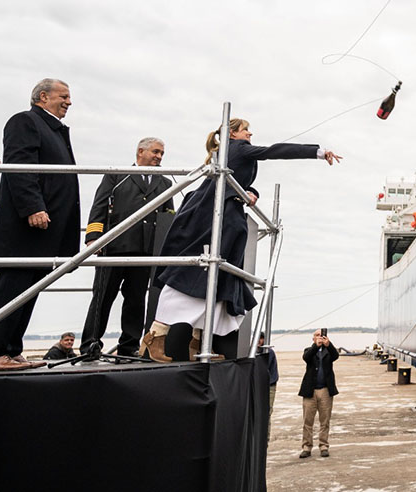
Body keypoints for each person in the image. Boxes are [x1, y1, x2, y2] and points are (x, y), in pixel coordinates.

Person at [140, 119, 341, 362]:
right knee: (200, 273)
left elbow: (237, 181)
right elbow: (273, 151)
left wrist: (251, 191)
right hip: (210, 216)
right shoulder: (237, 148)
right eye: (246, 129)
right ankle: (154, 337)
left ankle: (196, 341)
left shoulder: (228, 153)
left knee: (212, 276)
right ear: (233, 133)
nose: (250, 133)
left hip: (219, 216)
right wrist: (317, 152)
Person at [0, 79, 80, 372]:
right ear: (43, 96)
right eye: (64, 96)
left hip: (47, 230)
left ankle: (12, 349)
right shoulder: (25, 121)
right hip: (26, 227)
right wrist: (33, 206)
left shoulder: (54, 130)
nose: (69, 102)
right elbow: (20, 166)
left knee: (29, 289)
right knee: (12, 287)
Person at [79, 138, 175, 357]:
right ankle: (90, 345)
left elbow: (168, 215)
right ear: (140, 151)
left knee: (136, 300)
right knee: (102, 298)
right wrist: (94, 238)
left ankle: (129, 346)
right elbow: (100, 206)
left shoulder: (165, 183)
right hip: (114, 247)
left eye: (162, 153)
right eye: (156, 152)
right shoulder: (117, 175)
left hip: (145, 250)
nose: (159, 157)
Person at [298, 330, 339, 458]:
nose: (319, 338)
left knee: (325, 420)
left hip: (325, 390)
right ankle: (306, 446)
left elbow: (336, 356)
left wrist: (329, 344)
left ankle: (323, 445)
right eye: (317, 335)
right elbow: (306, 357)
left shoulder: (328, 351)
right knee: (307, 421)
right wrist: (316, 345)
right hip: (310, 390)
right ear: (313, 338)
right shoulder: (308, 350)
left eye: (321, 335)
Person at [259, 331, 279, 415]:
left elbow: (263, 367)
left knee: (267, 410)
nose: (259, 341)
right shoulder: (253, 351)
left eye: (261, 338)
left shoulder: (269, 352)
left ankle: (266, 428)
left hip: (269, 385)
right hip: (259, 384)